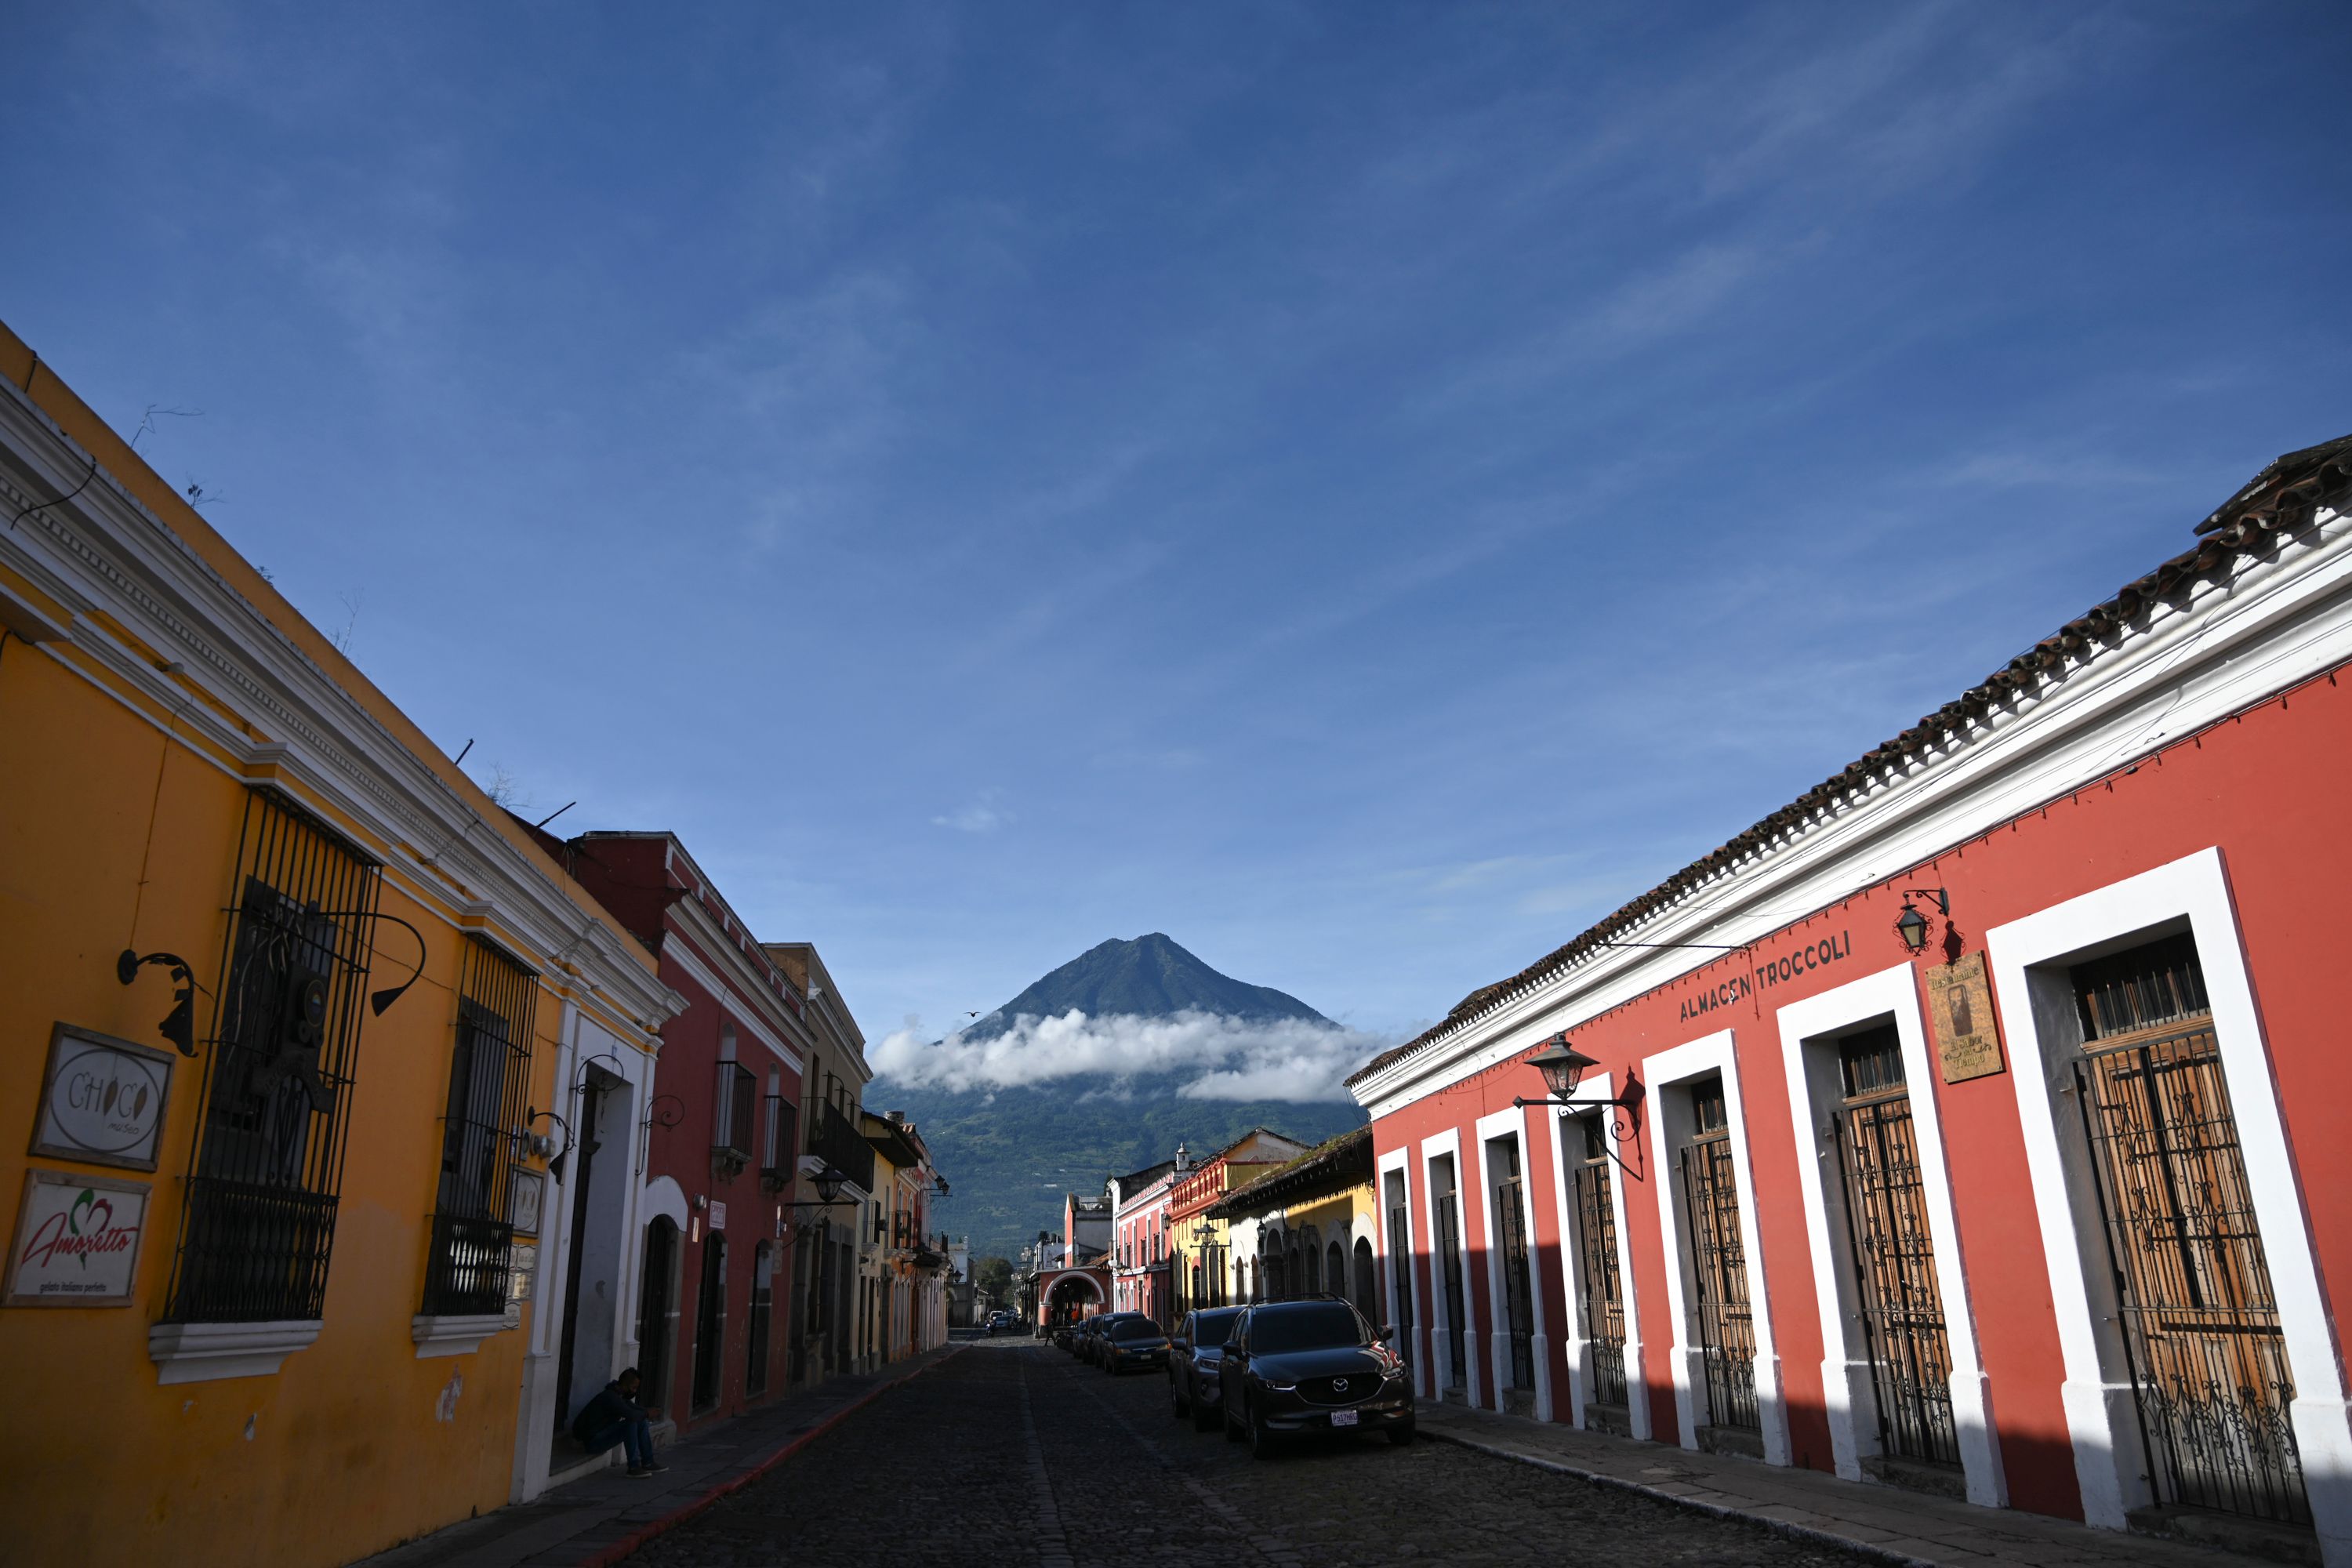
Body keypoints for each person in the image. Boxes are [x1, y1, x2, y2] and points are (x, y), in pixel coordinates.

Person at [571, 1368, 667, 1477]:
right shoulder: (611, 1397)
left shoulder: (618, 1396)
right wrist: (647, 1413)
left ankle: (648, 1462)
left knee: (641, 1421)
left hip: (600, 1436)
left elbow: (634, 1409)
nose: (634, 1391)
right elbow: (631, 1414)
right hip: (592, 1442)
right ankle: (634, 1466)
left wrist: (649, 1411)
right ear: (625, 1385)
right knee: (630, 1424)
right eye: (633, 1388)